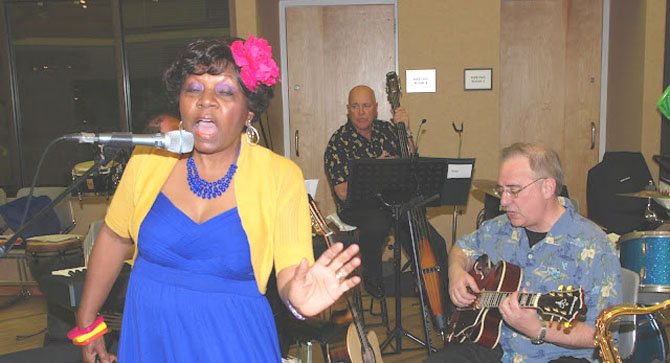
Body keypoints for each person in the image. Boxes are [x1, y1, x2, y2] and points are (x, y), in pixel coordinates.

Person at [74, 36, 361, 363]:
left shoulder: (281, 176)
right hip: (150, 336)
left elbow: (291, 271)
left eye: (225, 91)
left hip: (232, 341)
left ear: (249, 110)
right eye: (193, 89)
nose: (205, 101)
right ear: (180, 102)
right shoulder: (148, 159)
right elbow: (113, 237)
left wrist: (298, 298)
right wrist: (87, 321)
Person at [428, 143, 622, 363]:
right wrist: (456, 273)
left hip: (559, 355)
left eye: (514, 190)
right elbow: (462, 248)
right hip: (497, 347)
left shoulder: (593, 245)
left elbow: (604, 334)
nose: (503, 201)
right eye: (501, 191)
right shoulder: (499, 228)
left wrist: (538, 329)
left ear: (547, 187)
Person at [324, 85, 449, 302]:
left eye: (366, 106)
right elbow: (344, 193)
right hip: (358, 208)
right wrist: (377, 171)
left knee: (429, 237)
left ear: (376, 108)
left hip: (395, 204)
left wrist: (406, 131)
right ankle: (373, 282)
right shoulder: (338, 142)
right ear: (348, 110)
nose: (361, 112)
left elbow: (412, 163)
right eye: (355, 106)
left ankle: (438, 293)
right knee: (379, 221)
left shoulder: (387, 131)